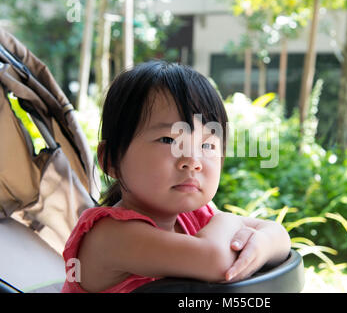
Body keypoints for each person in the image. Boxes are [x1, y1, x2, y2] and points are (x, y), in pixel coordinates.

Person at [61, 60, 291, 293]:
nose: (192, 161)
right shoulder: (112, 236)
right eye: (169, 140)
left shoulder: (193, 216)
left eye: (207, 145)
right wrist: (230, 221)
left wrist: (261, 244)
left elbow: (279, 236)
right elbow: (218, 262)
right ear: (111, 160)